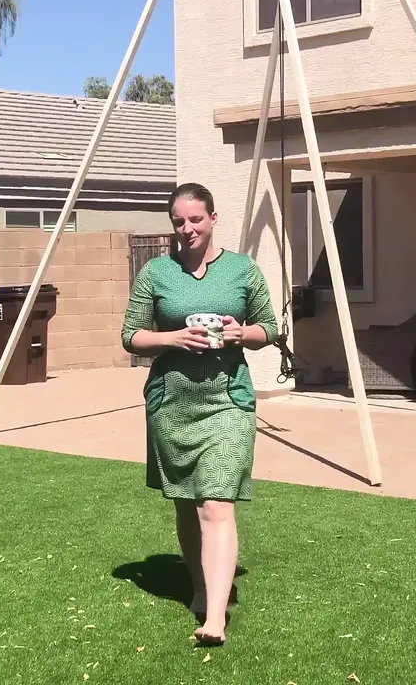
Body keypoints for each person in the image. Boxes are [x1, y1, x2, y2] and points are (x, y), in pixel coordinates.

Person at [120, 182, 278, 646]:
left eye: (195, 219)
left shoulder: (242, 270)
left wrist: (240, 333)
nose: (187, 228)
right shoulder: (156, 272)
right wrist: (171, 339)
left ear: (212, 219)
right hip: (172, 403)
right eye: (179, 221)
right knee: (187, 501)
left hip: (228, 400)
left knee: (216, 502)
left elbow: (269, 328)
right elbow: (131, 335)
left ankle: (215, 616)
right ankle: (200, 586)